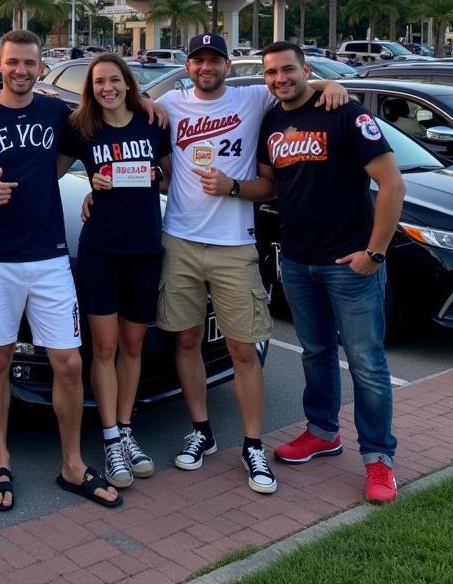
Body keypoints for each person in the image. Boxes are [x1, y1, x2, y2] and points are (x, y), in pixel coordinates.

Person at [149, 32, 348, 495]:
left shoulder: (253, 97)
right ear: (187, 64)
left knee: (243, 348)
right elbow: (120, 103)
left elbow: (295, 87)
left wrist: (333, 88)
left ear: (227, 65)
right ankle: (201, 430)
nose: (206, 68)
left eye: (214, 60)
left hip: (234, 244)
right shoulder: (171, 104)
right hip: (179, 239)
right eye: (198, 60)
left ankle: (253, 443)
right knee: (187, 341)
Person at [0, 29, 122, 513]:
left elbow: (100, 134)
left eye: (29, 63)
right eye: (12, 63)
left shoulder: (54, 113)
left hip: (49, 257)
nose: (21, 71)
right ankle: (0, 458)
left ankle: (71, 463)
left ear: (40, 66)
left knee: (68, 362)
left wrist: (153, 108)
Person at [254, 42, 404, 503]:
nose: (280, 78)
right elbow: (269, 183)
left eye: (289, 70)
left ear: (307, 69)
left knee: (366, 363)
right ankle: (322, 431)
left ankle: (379, 459)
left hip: (350, 263)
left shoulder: (345, 113)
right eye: (272, 72)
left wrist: (374, 254)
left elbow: (392, 184)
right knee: (315, 352)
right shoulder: (272, 120)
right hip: (298, 260)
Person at [59, 54, 170, 490]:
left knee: (133, 345)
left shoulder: (152, 122)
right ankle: (108, 438)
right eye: (99, 82)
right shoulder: (82, 127)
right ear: (91, 88)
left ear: (128, 83)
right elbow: (51, 175)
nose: (107, 87)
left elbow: (166, 179)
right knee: (103, 349)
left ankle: (126, 430)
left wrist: (146, 173)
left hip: (144, 247)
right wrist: (93, 185)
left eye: (114, 80)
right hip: (101, 248)